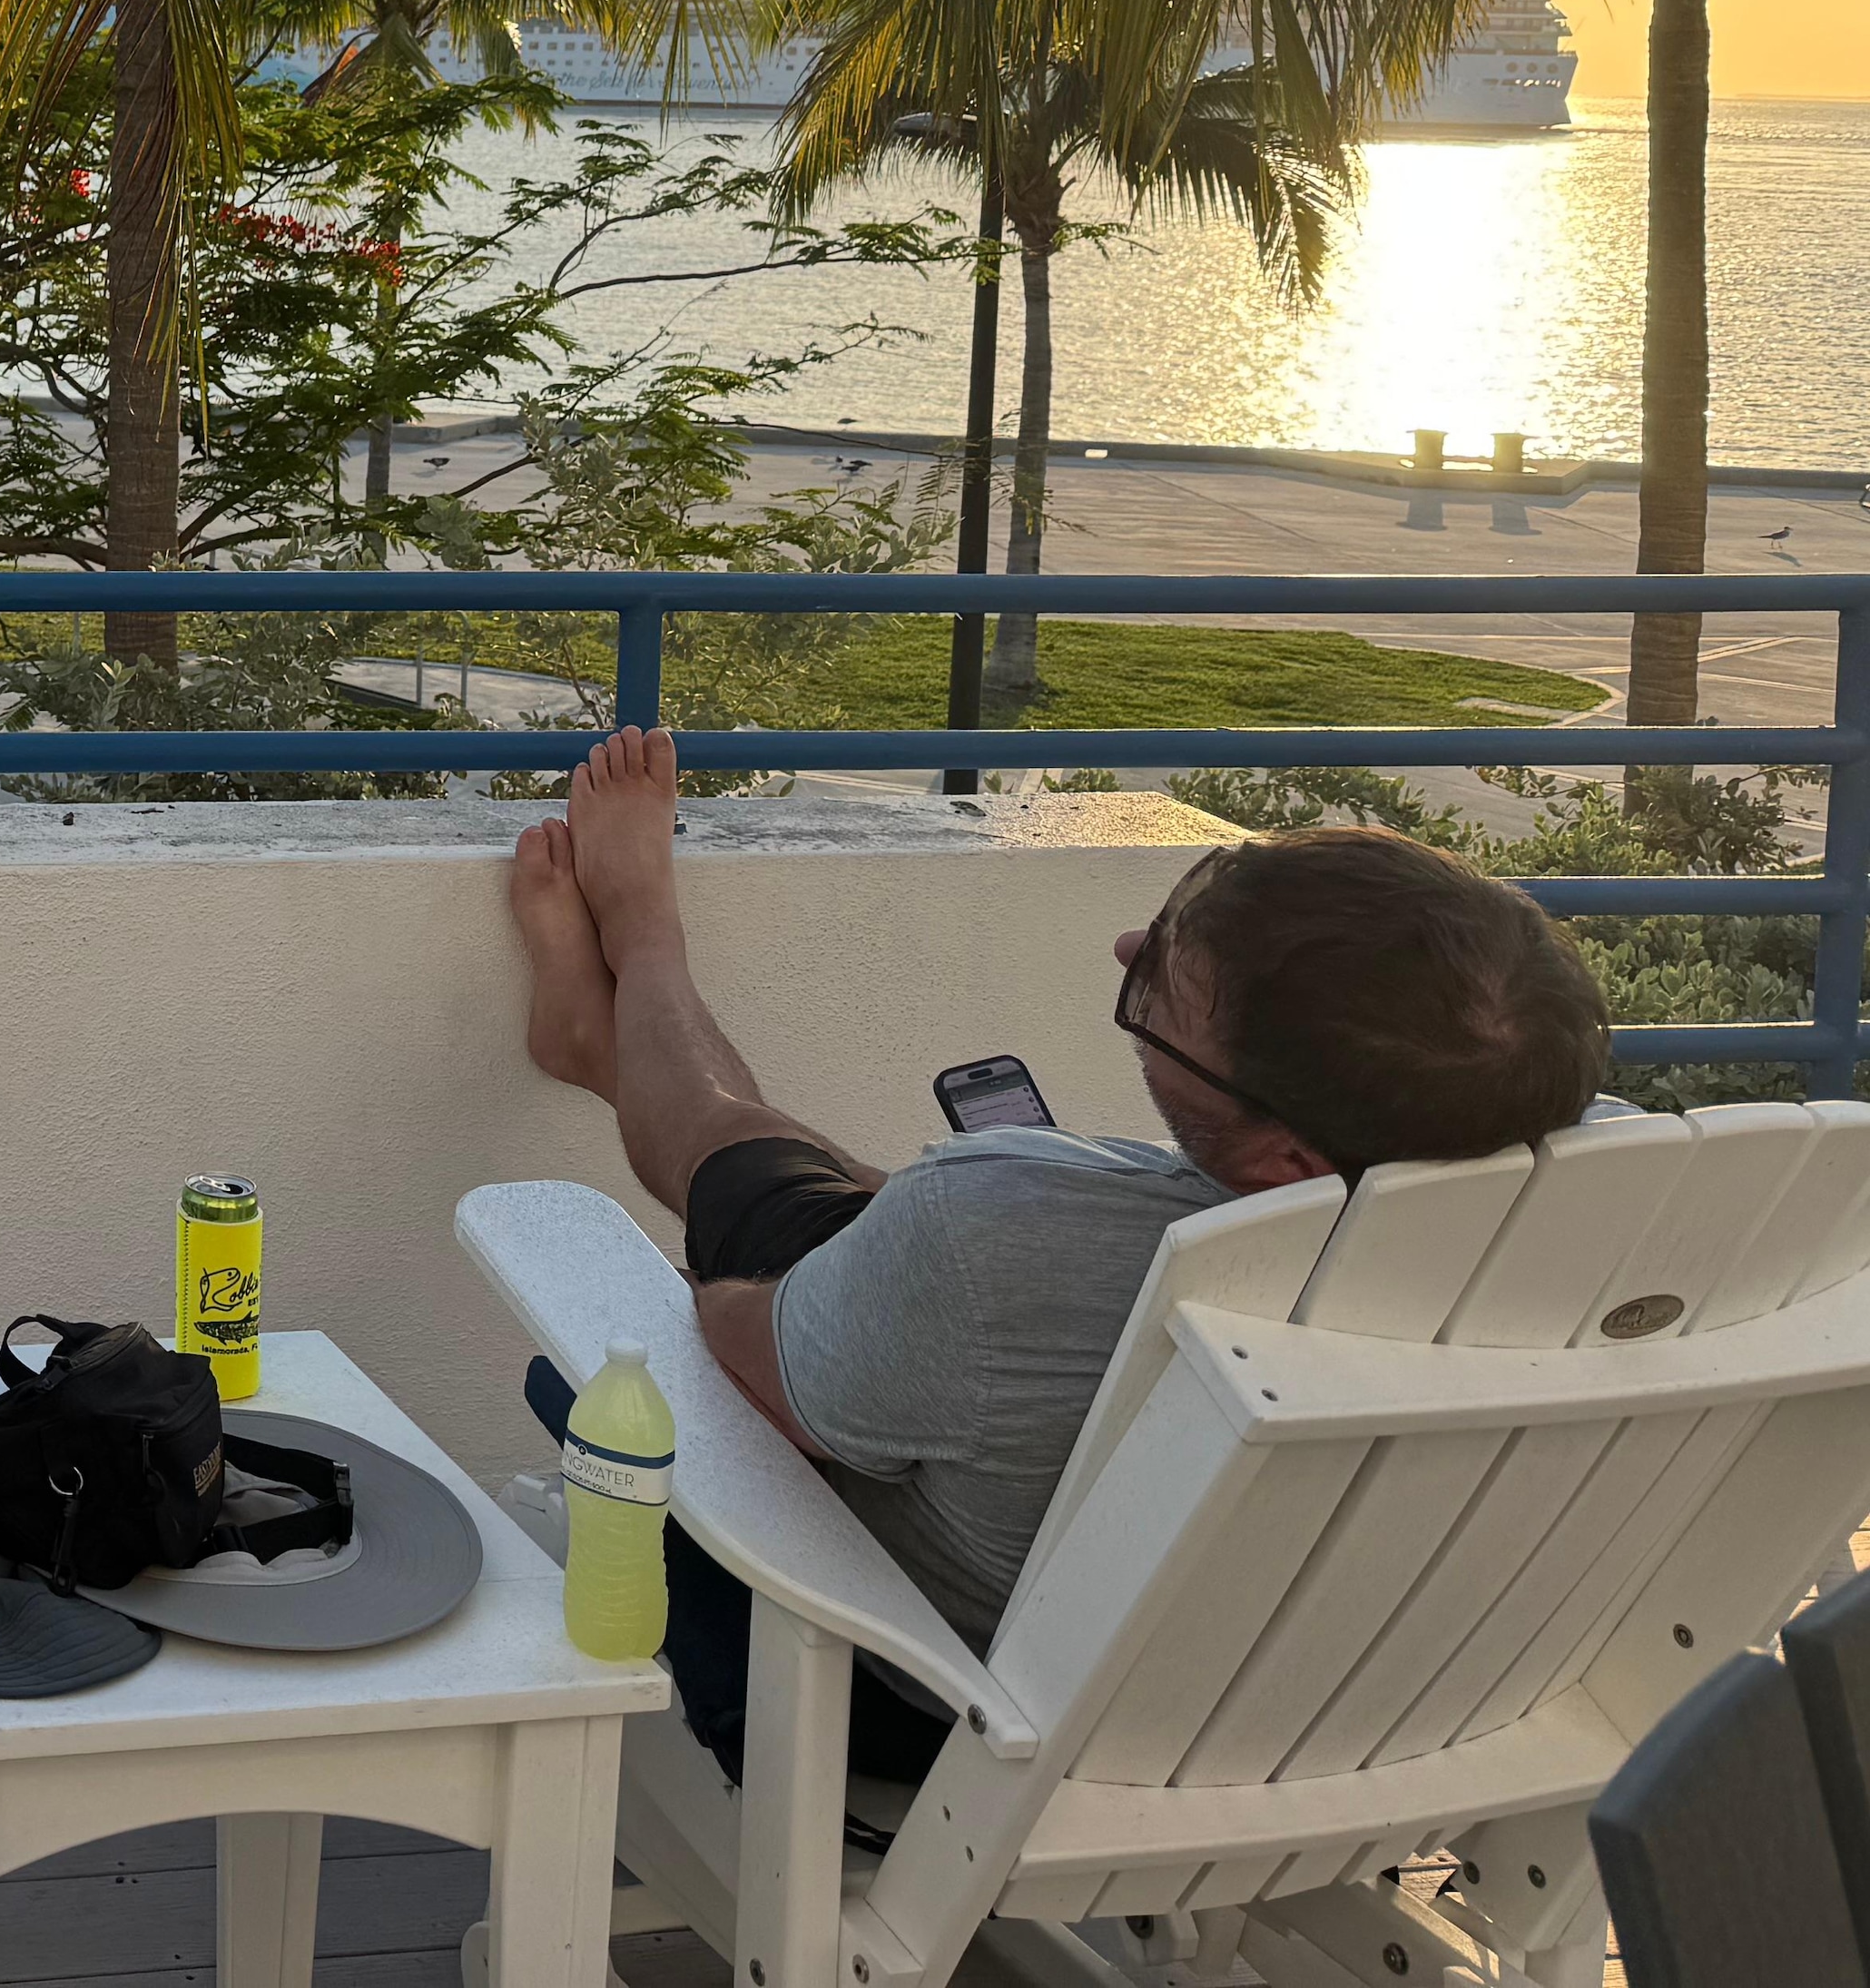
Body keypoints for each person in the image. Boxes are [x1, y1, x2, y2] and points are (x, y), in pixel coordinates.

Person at [507, 723, 1608, 1786]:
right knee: (911, 1226)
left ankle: (639, 959)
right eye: (1172, 919)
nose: (1128, 950)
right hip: (1364, 1709)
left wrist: (783, 1280)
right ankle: (614, 1049)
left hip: (926, 1709)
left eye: (1154, 994)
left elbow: (731, 1337)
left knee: (721, 1174)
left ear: (1282, 1157)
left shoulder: (993, 1233)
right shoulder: (1593, 1231)